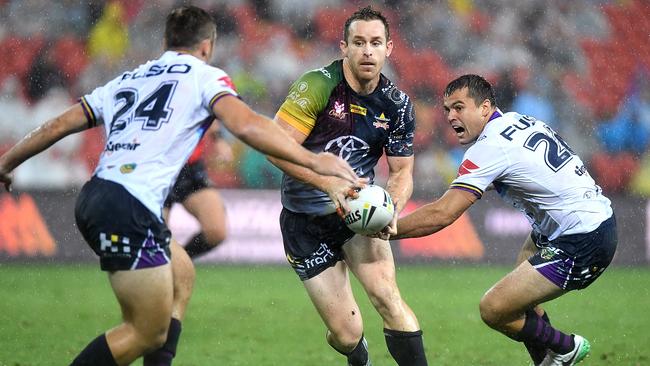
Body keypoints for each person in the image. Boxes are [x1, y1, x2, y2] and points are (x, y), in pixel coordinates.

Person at [0, 6, 362, 366]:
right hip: (129, 205)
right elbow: (248, 126)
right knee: (146, 332)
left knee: (182, 272)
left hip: (99, 194)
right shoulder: (205, 77)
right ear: (207, 46)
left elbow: (56, 126)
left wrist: (6, 163)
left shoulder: (128, 79)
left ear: (165, 41)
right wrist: (315, 160)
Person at [391, 74, 617, 366]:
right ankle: (547, 360)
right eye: (447, 109)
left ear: (485, 108)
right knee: (524, 275)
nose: (451, 116)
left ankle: (565, 347)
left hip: (583, 237)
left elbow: (442, 213)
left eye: (459, 107)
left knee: (495, 309)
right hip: (588, 219)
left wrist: (386, 229)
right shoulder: (521, 121)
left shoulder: (490, 147)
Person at [268, 6, 428, 366]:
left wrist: (394, 206)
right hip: (304, 223)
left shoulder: (398, 106)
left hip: (359, 217)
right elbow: (275, 147)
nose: (367, 51)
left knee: (388, 298)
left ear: (390, 48)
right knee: (346, 334)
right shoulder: (317, 86)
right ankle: (357, 353)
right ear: (344, 47)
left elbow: (402, 172)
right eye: (358, 42)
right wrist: (326, 184)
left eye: (375, 42)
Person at [163, 121, 230, 259]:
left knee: (216, 231)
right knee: (155, 238)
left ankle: (180, 261)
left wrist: (219, 140)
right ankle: (166, 266)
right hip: (157, 167)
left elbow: (210, 106)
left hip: (190, 167)